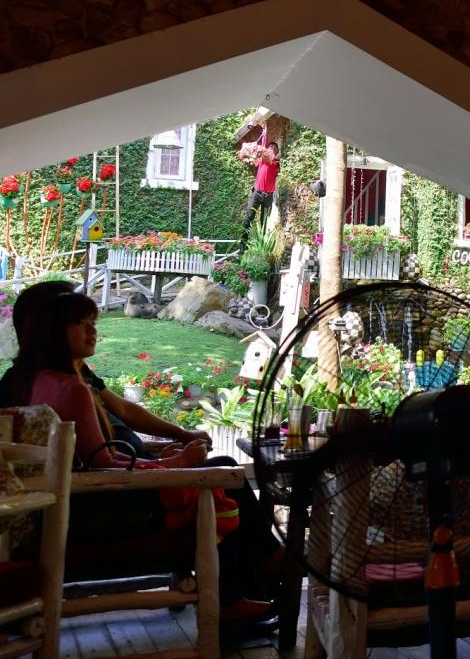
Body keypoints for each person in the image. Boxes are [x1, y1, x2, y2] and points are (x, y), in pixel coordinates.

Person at [11, 291, 280, 623]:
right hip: (109, 509)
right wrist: (176, 464)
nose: (92, 330)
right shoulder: (72, 389)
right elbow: (104, 467)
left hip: (79, 502)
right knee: (224, 475)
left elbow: (103, 450)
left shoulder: (36, 380)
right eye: (81, 324)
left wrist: (163, 455)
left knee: (218, 473)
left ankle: (250, 580)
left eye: (92, 322)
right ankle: (250, 581)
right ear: (53, 331)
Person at [0, 279, 212, 457]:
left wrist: (180, 437)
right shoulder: (28, 386)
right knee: (225, 467)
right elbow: (94, 463)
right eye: (77, 319)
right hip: (124, 483)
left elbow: (124, 410)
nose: (91, 329)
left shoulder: (72, 370)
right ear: (46, 325)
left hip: (133, 467)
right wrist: (169, 464)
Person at [240, 135, 280, 246]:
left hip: (268, 196)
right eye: (270, 147)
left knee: (264, 222)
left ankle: (260, 246)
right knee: (249, 217)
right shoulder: (262, 158)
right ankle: (243, 245)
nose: (272, 148)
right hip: (257, 193)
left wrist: (276, 157)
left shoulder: (277, 163)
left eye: (274, 148)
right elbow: (258, 151)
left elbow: (278, 161)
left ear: (276, 151)